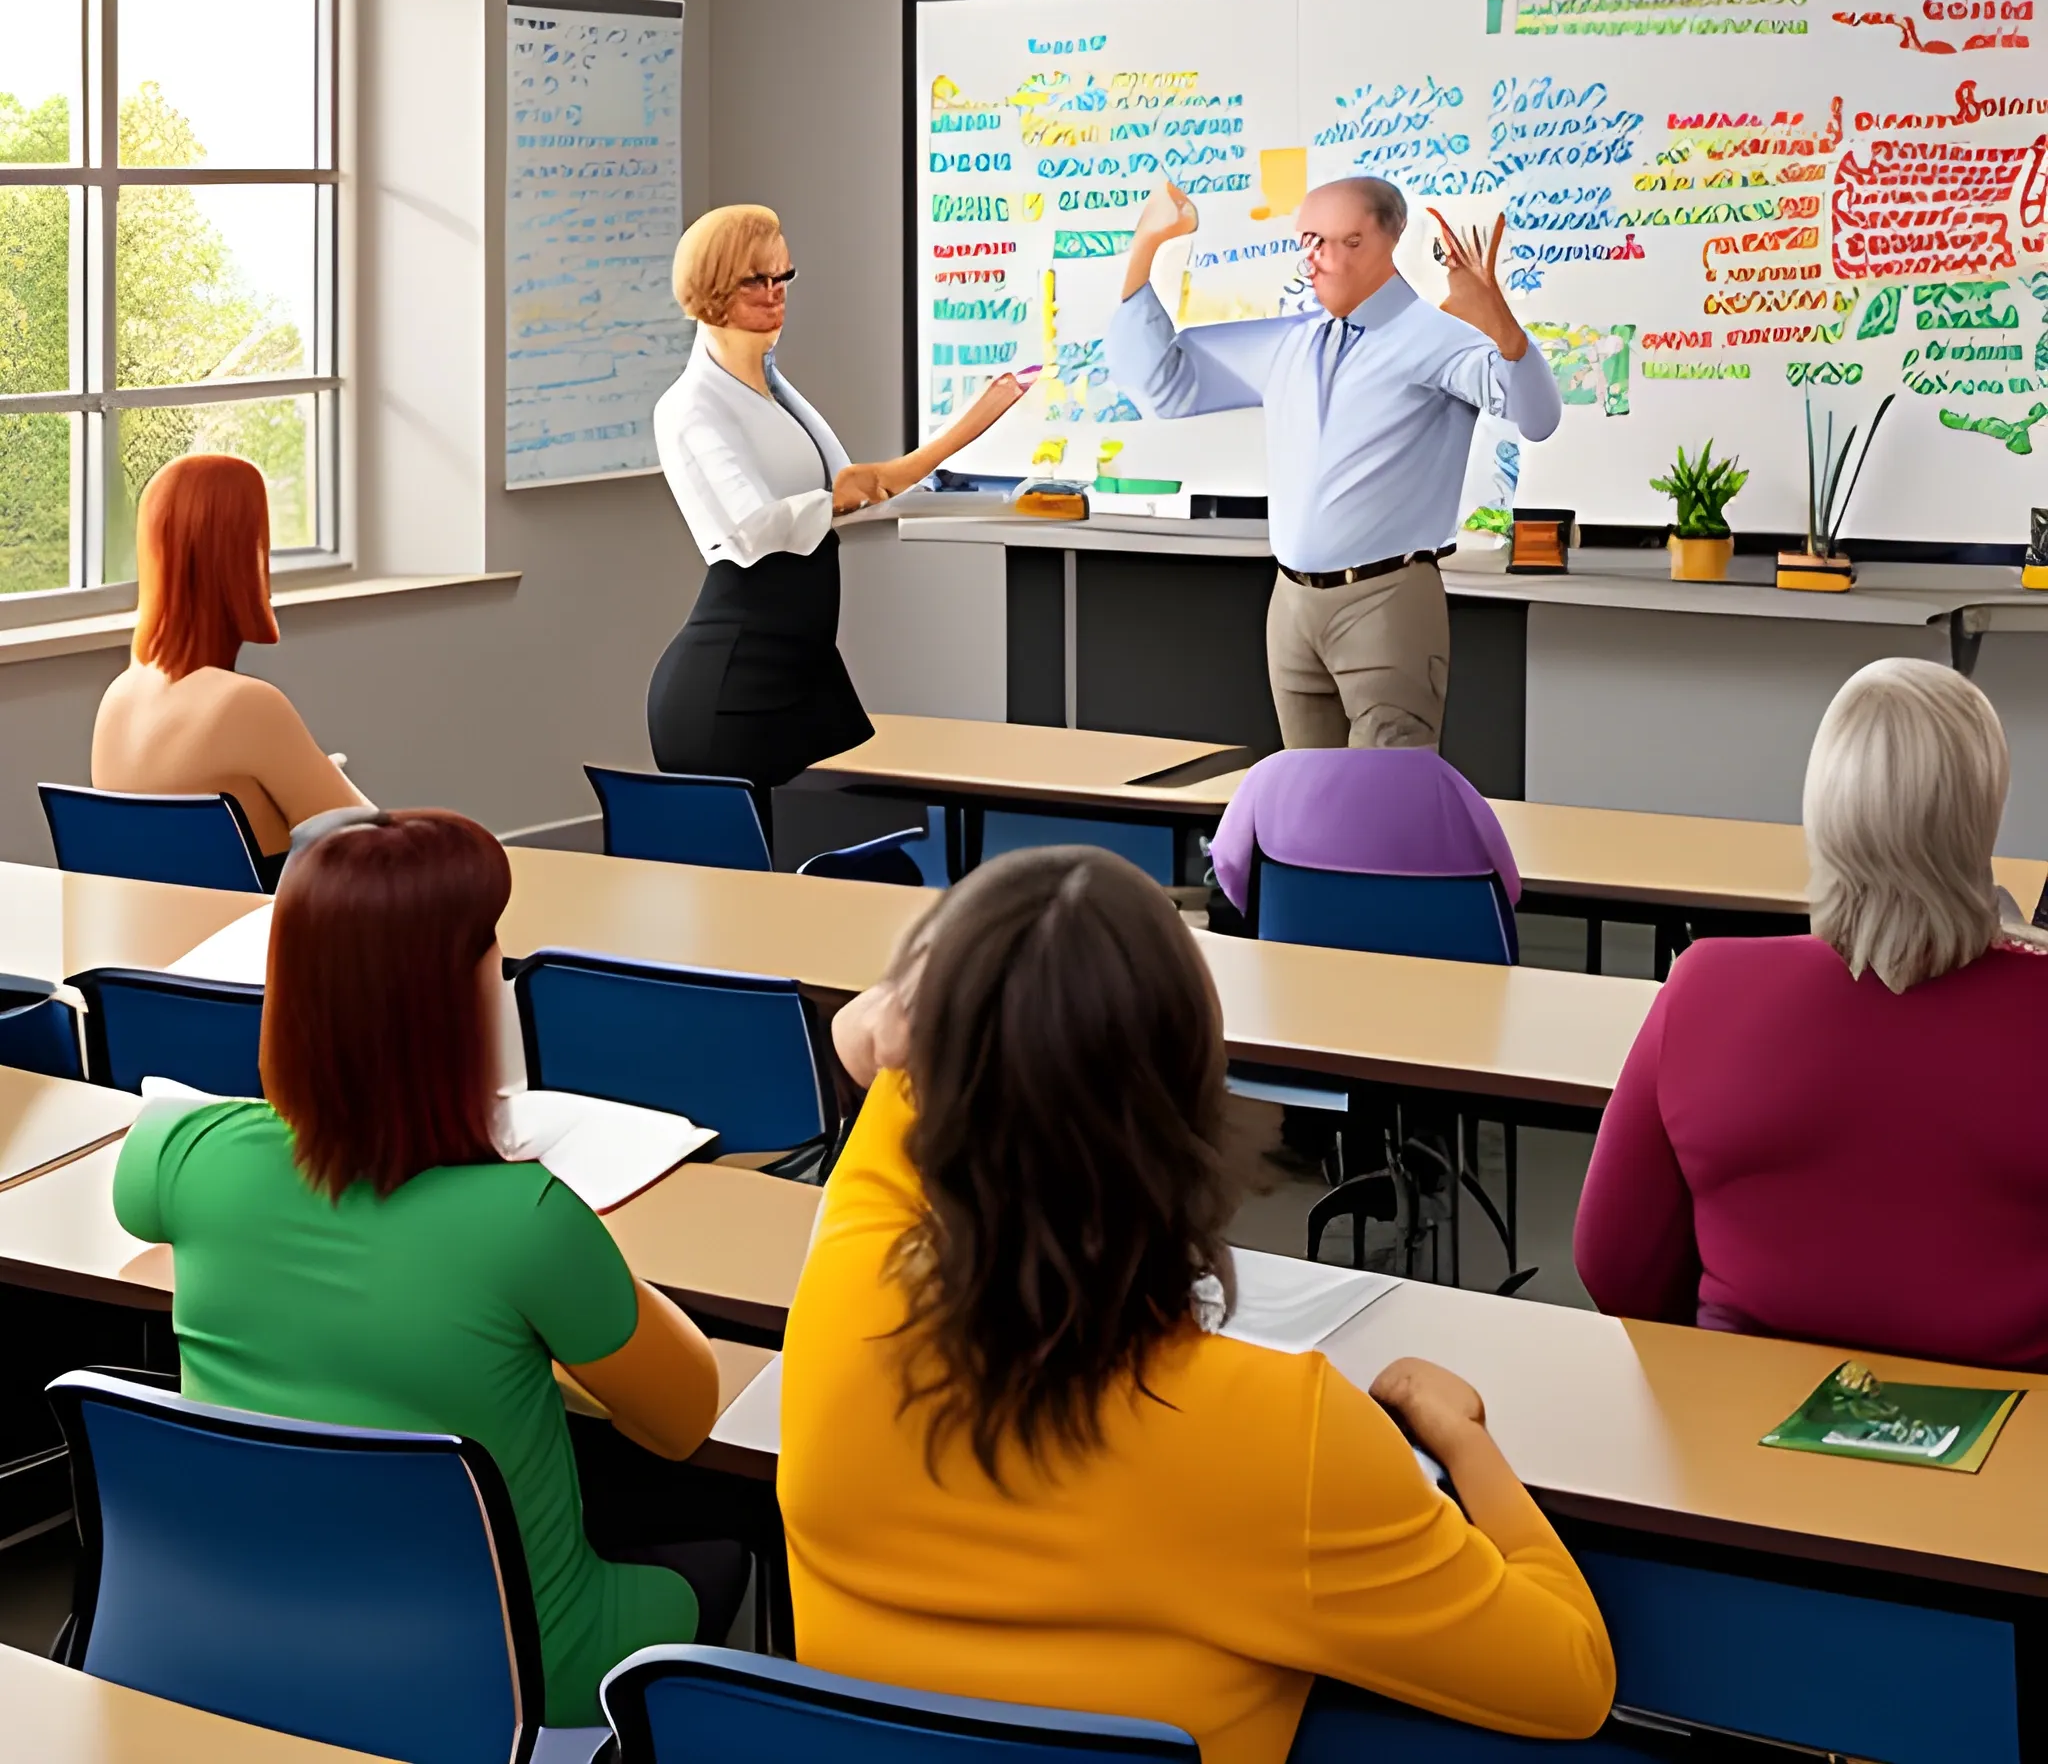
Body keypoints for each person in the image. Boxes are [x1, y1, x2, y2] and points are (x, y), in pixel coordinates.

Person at [779, 847, 1614, 1764]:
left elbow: (865, 1038)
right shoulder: (1290, 1435)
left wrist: (948, 967)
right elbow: (1572, 1677)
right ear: (1186, 1114)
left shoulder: (839, 1288)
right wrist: (1460, 1435)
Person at [111, 808, 738, 1726]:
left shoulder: (184, 1155)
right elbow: (684, 1418)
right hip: (520, 1665)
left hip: (242, 1623)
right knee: (716, 1535)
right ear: (459, 996)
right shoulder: (526, 1223)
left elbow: (137, 1197)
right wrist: (588, 1261)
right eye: (491, 948)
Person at [1575, 659, 2048, 1368]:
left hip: (1739, 1443)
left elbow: (1612, 1266)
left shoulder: (1704, 986)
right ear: (1984, 812)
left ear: (1822, 807)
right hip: (2014, 1456)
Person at [1106, 179, 1561, 751]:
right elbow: (1163, 384)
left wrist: (1504, 331)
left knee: (1386, 801)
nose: (1311, 259)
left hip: (1386, 599)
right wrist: (1145, 250)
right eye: (1306, 240)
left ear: (1373, 243)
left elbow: (1538, 417)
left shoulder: (1437, 339)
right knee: (1311, 802)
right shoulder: (1291, 342)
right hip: (1291, 604)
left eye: (1327, 241)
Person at [648, 204, 1026, 826]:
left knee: (831, 864)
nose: (775, 297)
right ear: (710, 288)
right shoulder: (688, 407)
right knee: (752, 889)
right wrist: (848, 495)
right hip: (730, 684)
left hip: (795, 668)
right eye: (754, 281)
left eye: (783, 278)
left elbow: (859, 492)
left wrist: (975, 454)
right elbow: (751, 530)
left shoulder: (775, 388)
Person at [92, 453, 366, 887]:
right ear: (240, 560)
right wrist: (325, 774)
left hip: (154, 946)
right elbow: (371, 844)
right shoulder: (245, 705)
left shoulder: (118, 696)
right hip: (256, 946)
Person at [1209, 745, 1520, 918]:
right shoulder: (1444, 782)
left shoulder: (1270, 776)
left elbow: (1227, 864)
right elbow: (1509, 890)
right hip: (1448, 1002)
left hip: (1299, 993)